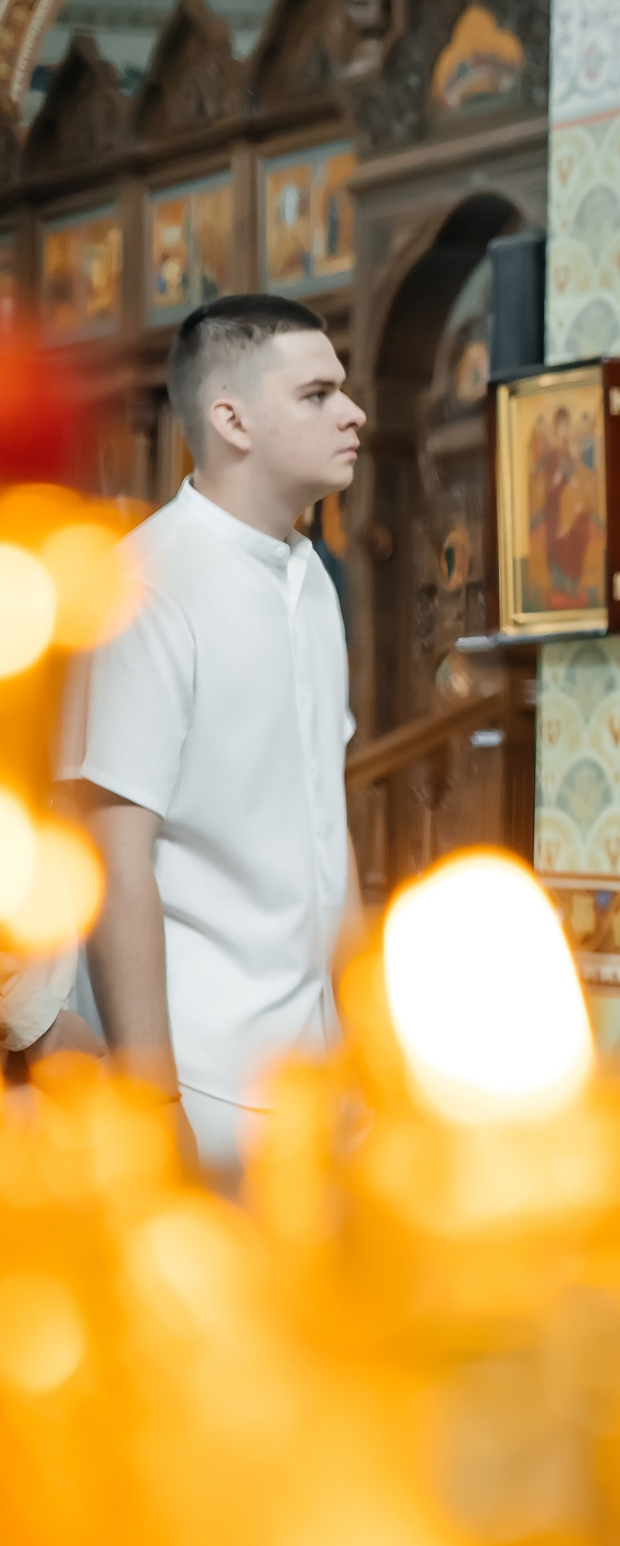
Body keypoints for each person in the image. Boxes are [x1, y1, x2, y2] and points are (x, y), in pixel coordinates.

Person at [69, 294, 370, 1173]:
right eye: (317, 394)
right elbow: (114, 854)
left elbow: (326, 818)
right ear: (230, 417)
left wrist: (359, 1039)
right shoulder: (148, 584)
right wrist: (150, 1095)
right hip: (202, 1073)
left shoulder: (311, 576)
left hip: (317, 1067)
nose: (351, 413)